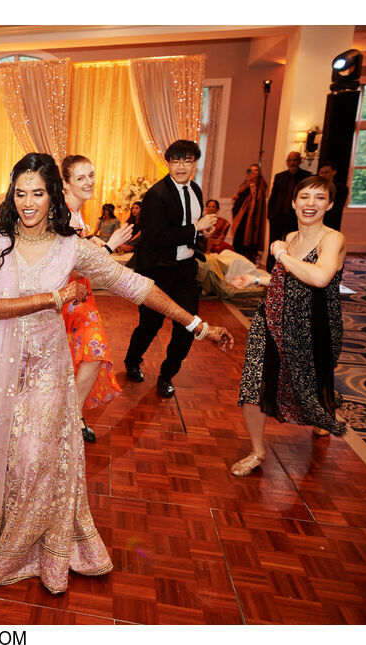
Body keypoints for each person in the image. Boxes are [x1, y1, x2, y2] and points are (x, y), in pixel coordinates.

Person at [0, 153, 233, 593]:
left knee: (34, 456)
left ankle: (23, 546)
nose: (28, 202)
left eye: (38, 193)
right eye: (20, 193)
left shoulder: (72, 247)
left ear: (54, 197)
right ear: (11, 195)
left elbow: (137, 286)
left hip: (49, 367)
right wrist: (52, 298)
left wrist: (197, 324)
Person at [228, 175, 346, 476]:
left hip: (314, 326)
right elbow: (287, 279)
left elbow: (319, 278)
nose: (311, 204)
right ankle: (257, 451)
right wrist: (256, 279)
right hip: (271, 319)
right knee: (253, 384)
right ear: (293, 203)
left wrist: (279, 254)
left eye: (319, 198)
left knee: (311, 381)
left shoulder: (332, 239)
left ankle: (323, 411)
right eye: (304, 197)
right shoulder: (290, 238)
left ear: (329, 204)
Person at [124, 139, 218, 398]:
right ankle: (132, 360)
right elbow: (156, 237)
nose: (181, 166)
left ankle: (167, 374)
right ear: (168, 163)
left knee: (189, 325)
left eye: (187, 160)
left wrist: (201, 230)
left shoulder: (196, 190)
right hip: (157, 269)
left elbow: (190, 223)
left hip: (185, 268)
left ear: (195, 164)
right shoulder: (156, 194)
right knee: (150, 324)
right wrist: (195, 229)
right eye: (175, 160)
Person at [61, 155, 133, 443]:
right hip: (69, 298)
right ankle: (72, 417)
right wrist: (110, 247)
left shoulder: (76, 214)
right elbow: (71, 265)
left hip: (82, 298)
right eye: (80, 178)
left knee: (83, 357)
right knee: (93, 351)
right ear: (65, 184)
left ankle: (72, 417)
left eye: (91, 175)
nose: (89, 181)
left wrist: (95, 241)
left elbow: (80, 244)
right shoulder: (64, 214)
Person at [266, 151, 311, 271]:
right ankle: (270, 269)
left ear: (300, 161)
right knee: (274, 243)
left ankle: (289, 269)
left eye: (295, 160)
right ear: (287, 162)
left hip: (295, 218)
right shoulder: (279, 176)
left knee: (292, 245)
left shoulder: (307, 177)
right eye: (290, 160)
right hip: (278, 216)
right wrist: (270, 215)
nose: (292, 163)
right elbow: (273, 197)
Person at [229, 163, 269, 262]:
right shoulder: (245, 183)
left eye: (256, 170)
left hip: (250, 219)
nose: (253, 172)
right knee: (237, 240)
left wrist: (252, 184)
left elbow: (257, 198)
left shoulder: (260, 184)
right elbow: (240, 193)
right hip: (240, 216)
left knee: (246, 242)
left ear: (259, 173)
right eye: (251, 170)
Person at [317, 161, 349, 231]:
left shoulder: (342, 188)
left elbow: (337, 208)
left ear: (333, 172)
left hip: (332, 222)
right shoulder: (316, 188)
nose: (323, 175)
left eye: (326, 172)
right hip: (316, 220)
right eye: (321, 173)